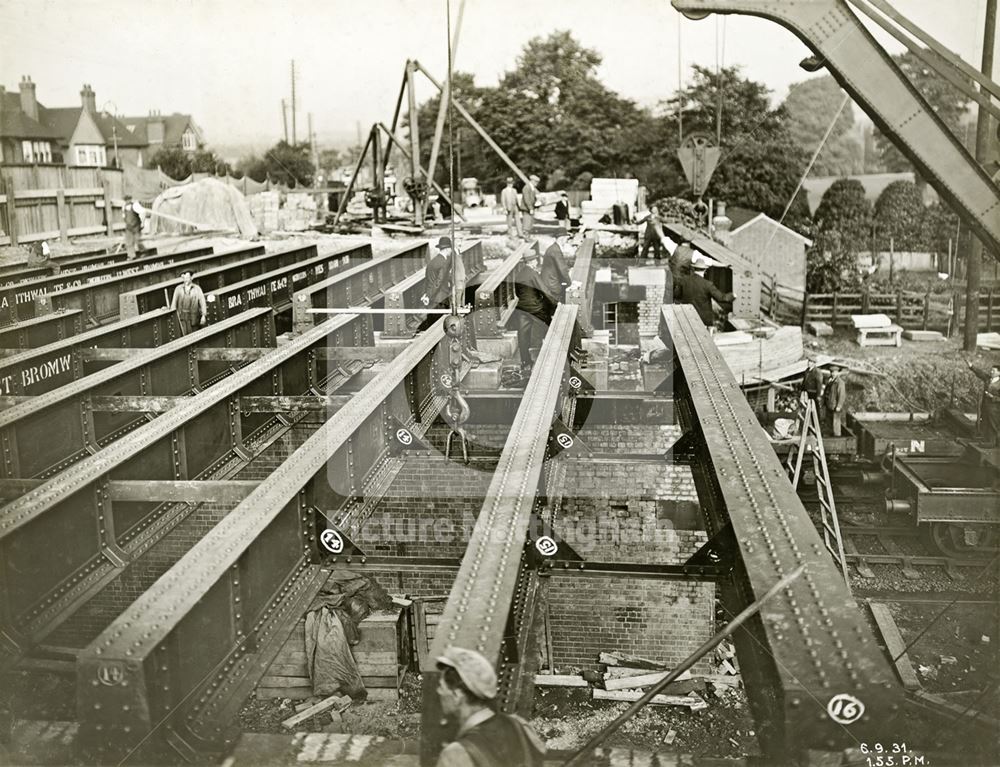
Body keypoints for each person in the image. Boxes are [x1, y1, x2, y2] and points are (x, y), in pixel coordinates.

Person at [435, 646, 545, 767]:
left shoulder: (455, 755)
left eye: (441, 686)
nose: (438, 691)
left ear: (457, 695)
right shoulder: (520, 726)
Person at [672, 249, 734, 328]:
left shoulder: (684, 281)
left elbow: (676, 295)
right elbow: (721, 298)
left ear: (694, 269)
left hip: (687, 317)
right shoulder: (707, 284)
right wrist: (733, 295)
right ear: (705, 270)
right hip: (703, 320)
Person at [418, 237, 454, 332]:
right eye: (451, 249)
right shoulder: (443, 263)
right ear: (447, 249)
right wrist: (428, 296)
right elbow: (439, 282)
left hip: (432, 299)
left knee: (431, 327)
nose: (451, 251)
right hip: (440, 300)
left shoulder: (432, 262)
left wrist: (427, 294)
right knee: (440, 330)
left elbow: (429, 280)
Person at [968, 359, 1000, 447]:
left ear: (999, 373)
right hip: (985, 407)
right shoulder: (988, 379)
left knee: (993, 425)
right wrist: (971, 366)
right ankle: (986, 441)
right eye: (991, 370)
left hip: (995, 410)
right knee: (985, 423)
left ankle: (993, 443)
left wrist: (993, 397)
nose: (991, 371)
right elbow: (980, 373)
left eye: (993, 370)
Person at [170, 270, 207, 335]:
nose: (185, 280)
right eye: (184, 278)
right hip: (182, 319)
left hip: (194, 318)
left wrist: (204, 315)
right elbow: (173, 304)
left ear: (191, 278)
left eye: (187, 278)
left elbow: (202, 303)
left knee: (194, 336)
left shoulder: (197, 289)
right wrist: (173, 318)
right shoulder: (178, 289)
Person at [824, 366, 848, 436]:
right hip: (829, 405)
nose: (833, 374)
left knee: (836, 423)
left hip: (835, 406)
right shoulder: (829, 381)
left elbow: (842, 395)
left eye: (835, 372)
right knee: (829, 422)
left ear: (837, 373)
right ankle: (830, 436)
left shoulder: (840, 383)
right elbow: (827, 392)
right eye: (832, 372)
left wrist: (839, 406)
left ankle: (837, 437)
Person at [122, 194, 146, 261]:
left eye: (128, 200)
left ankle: (143, 252)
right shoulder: (124, 207)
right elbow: (124, 217)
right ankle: (131, 256)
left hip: (136, 226)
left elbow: (143, 212)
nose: (127, 201)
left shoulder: (135, 205)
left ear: (130, 199)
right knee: (129, 242)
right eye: (126, 200)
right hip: (129, 227)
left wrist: (143, 223)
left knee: (138, 240)